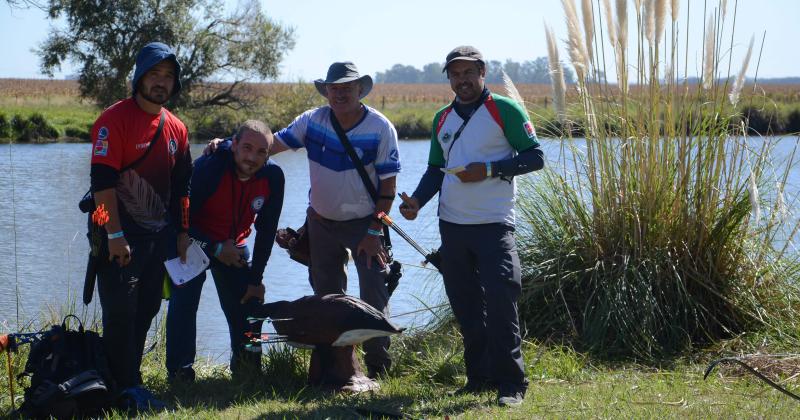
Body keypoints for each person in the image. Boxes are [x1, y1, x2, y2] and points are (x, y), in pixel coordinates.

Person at [207, 62, 401, 379]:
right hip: (321, 223)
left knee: (373, 293)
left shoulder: (380, 128)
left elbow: (389, 190)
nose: (339, 94)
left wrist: (373, 231)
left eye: (346, 88)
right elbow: (269, 146)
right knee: (326, 298)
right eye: (334, 88)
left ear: (359, 90)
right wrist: (226, 145)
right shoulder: (312, 121)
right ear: (326, 91)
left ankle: (379, 368)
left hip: (365, 224)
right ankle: (333, 367)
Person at [398, 46, 544, 407]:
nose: (462, 80)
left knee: (500, 301)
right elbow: (435, 169)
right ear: (448, 77)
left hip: (495, 225)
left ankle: (512, 385)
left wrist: (491, 170)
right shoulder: (441, 118)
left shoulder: (504, 109)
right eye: (455, 74)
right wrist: (416, 202)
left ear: (483, 72)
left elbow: (535, 156)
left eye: (468, 73)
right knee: (466, 308)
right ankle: (478, 379)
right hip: (452, 226)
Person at [89, 41, 192, 411]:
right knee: (119, 313)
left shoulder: (177, 129)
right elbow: (101, 185)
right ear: (139, 77)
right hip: (116, 238)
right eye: (154, 74)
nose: (161, 83)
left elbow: (183, 187)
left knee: (147, 308)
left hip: (158, 240)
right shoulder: (112, 121)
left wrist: (182, 233)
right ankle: (121, 388)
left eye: (168, 76)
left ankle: (126, 383)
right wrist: (113, 235)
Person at [165, 120, 284, 382]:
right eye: (247, 148)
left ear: (268, 154)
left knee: (250, 305)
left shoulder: (273, 177)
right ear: (234, 145)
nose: (252, 158)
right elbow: (178, 219)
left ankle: (246, 371)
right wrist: (216, 248)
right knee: (184, 304)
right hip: (195, 241)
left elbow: (266, 231)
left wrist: (256, 280)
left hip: (235, 246)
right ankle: (180, 373)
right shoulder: (211, 166)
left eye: (261, 152)